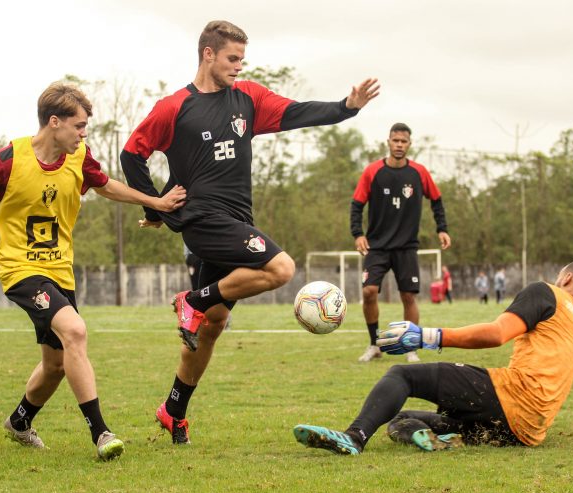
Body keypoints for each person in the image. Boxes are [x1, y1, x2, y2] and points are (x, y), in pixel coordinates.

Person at [0, 82, 186, 460]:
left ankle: (19, 422)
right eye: (78, 126)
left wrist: (154, 203)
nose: (83, 134)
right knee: (75, 330)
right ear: (54, 122)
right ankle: (101, 433)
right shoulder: (7, 161)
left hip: (59, 271)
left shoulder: (79, 159)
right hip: (19, 269)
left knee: (56, 364)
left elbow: (106, 186)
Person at [120, 20, 379, 445]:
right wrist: (157, 205)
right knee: (280, 268)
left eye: (242, 59)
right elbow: (133, 154)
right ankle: (193, 301)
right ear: (208, 54)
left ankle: (173, 410)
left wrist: (344, 106)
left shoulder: (248, 98)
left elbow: (297, 113)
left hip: (237, 220)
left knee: (212, 325)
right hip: (201, 219)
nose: (239, 66)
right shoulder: (174, 107)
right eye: (232, 58)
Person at [293, 259, 573, 455]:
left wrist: (429, 336)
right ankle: (453, 439)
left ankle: (354, 437)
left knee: (402, 376)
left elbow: (497, 333)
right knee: (399, 418)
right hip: (525, 432)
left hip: (510, 399)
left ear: (566, 279)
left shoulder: (547, 292)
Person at [350, 122, 451, 363]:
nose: (399, 145)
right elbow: (356, 205)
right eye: (395, 140)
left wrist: (442, 229)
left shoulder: (419, 172)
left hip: (406, 246)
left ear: (409, 144)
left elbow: (436, 200)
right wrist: (358, 234)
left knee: (408, 296)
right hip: (377, 246)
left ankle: (410, 347)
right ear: (388, 142)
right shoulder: (373, 171)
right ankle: (375, 345)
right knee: (369, 291)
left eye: (403, 141)